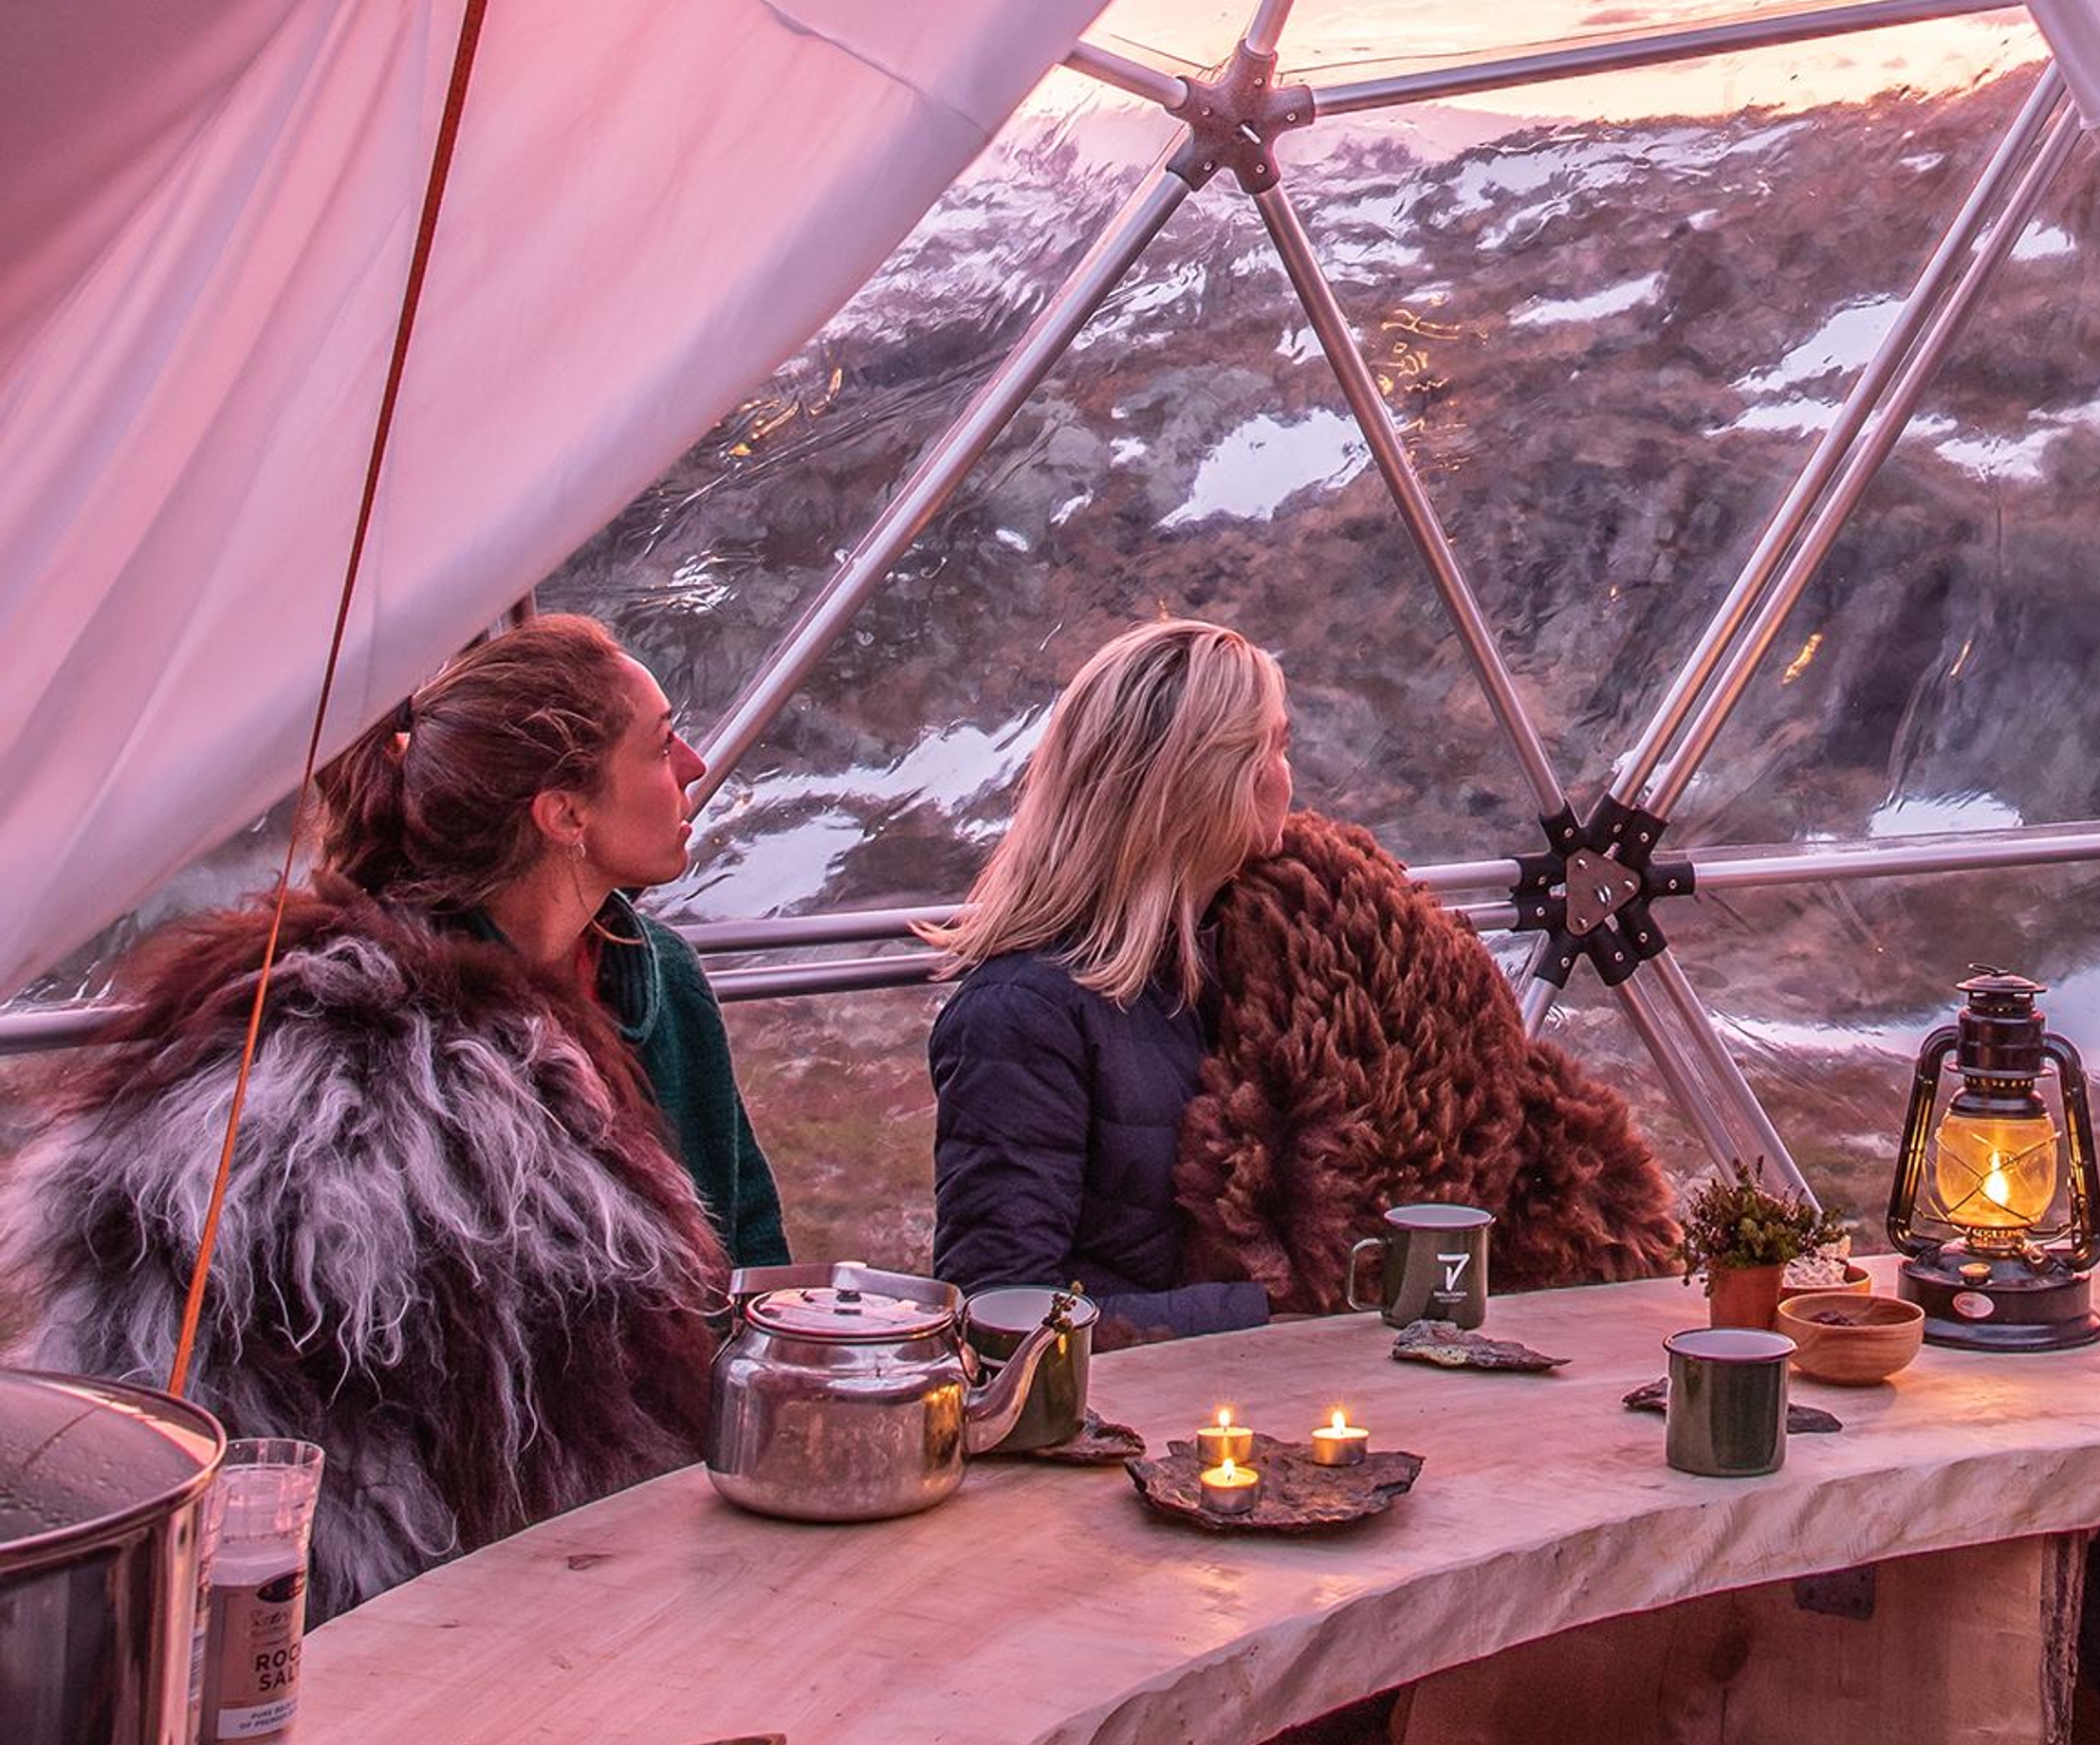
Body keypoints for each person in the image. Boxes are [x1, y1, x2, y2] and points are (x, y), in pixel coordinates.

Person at [4, 614, 776, 1616]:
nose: (695, 761)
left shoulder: (657, 977)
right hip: (446, 1565)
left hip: (663, 1504)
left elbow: (749, 1238)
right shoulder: (367, 1043)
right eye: (658, 740)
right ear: (562, 814)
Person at [921, 619, 1286, 1340]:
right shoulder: (1022, 1016)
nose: (1286, 776)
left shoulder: (1248, 967)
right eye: (1273, 746)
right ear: (1207, 782)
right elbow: (1003, 1315)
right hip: (1119, 1430)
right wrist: (1278, 1309)